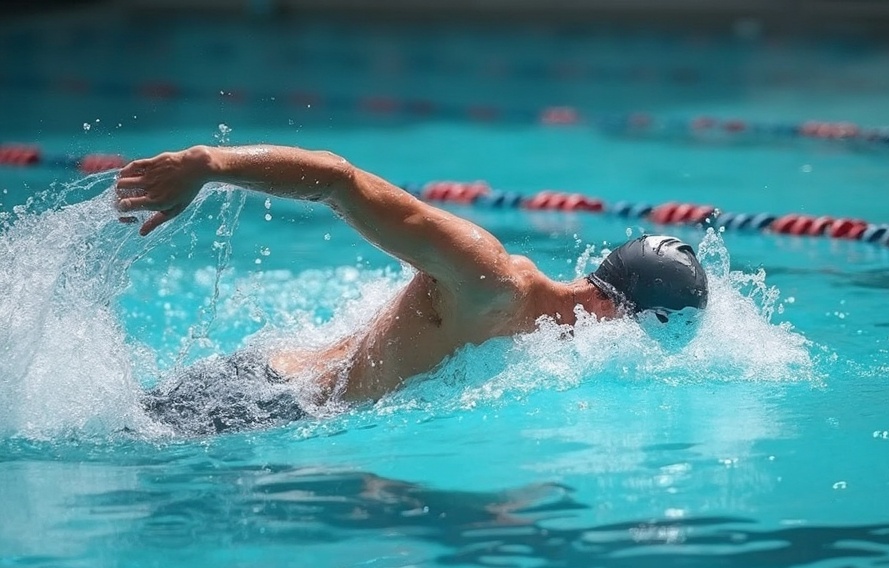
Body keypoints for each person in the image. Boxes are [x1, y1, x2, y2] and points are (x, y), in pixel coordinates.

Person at [115, 145, 708, 433]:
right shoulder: (489, 279)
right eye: (650, 329)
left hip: (283, 402)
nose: (643, 350)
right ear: (606, 300)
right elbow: (336, 179)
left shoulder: (549, 340)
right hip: (258, 402)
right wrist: (209, 166)